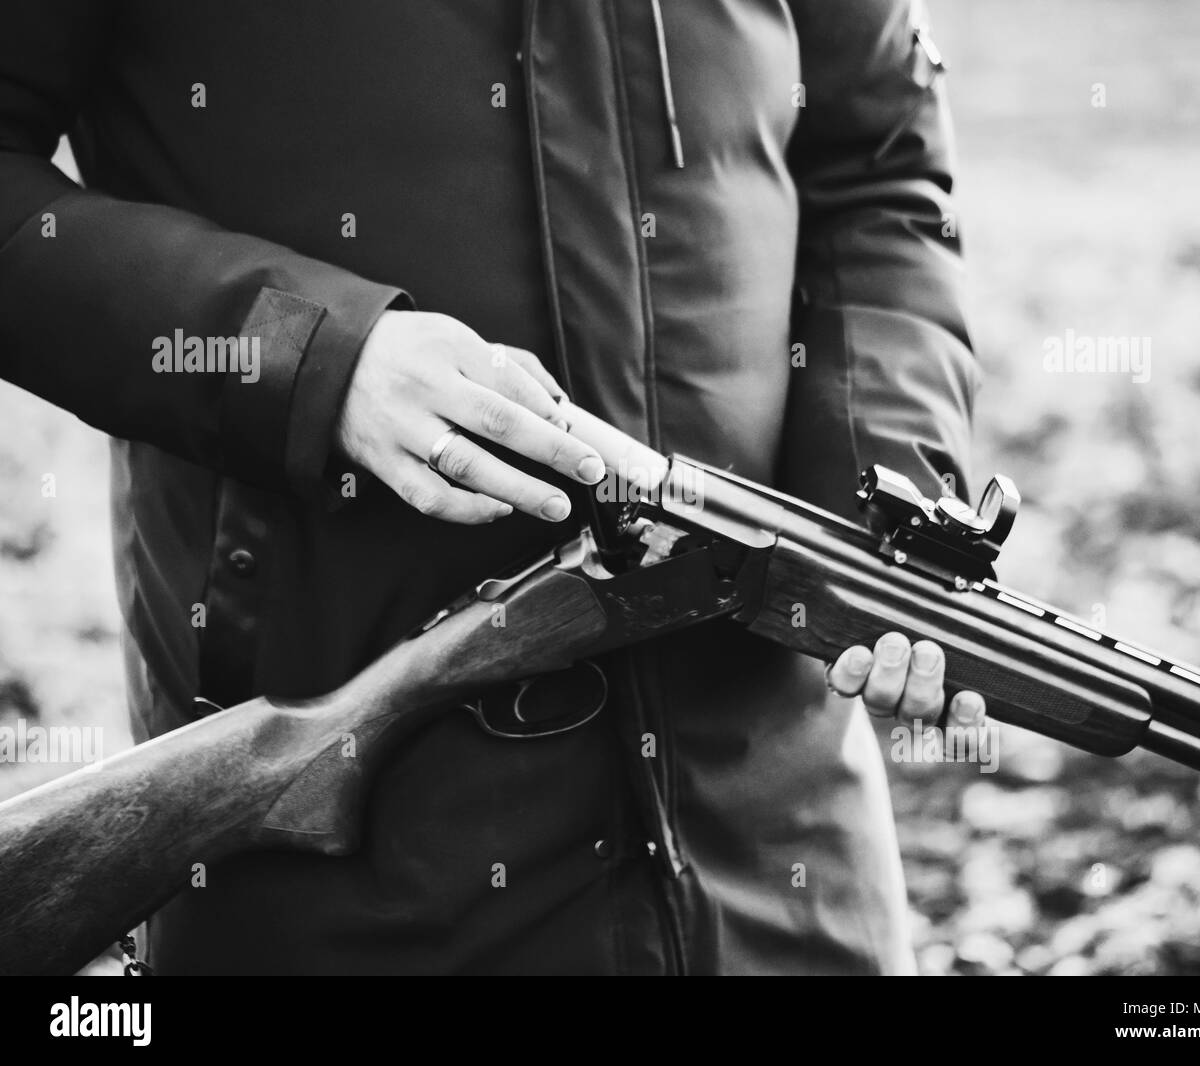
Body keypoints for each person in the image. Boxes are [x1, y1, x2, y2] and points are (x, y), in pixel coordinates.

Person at [0, 0, 982, 974]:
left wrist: (880, 503)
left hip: (786, 842)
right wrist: (312, 360)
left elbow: (883, 179)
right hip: (350, 869)